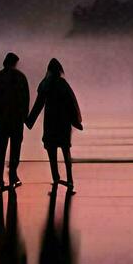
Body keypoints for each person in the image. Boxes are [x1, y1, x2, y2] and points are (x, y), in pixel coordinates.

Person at [27, 57, 83, 191]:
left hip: (50, 122)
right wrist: (76, 121)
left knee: (51, 151)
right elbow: (72, 104)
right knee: (65, 150)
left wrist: (29, 121)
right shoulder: (63, 84)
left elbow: (38, 105)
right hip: (63, 122)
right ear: (59, 70)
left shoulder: (45, 84)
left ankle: (56, 177)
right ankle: (70, 179)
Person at [0, 52, 30, 189]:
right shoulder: (21, 77)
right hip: (16, 119)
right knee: (15, 148)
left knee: (1, 149)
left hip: (1, 119)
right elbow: (26, 99)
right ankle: (13, 175)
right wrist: (25, 116)